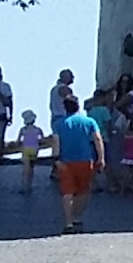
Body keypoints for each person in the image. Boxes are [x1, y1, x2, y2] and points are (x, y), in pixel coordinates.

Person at [49, 90, 105, 233]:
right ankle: (77, 217)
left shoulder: (59, 124)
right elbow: (97, 139)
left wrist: (55, 160)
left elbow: (56, 143)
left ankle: (68, 223)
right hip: (85, 161)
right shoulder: (89, 122)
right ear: (78, 106)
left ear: (64, 107)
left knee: (67, 193)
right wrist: (101, 157)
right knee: (83, 191)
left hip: (66, 162)